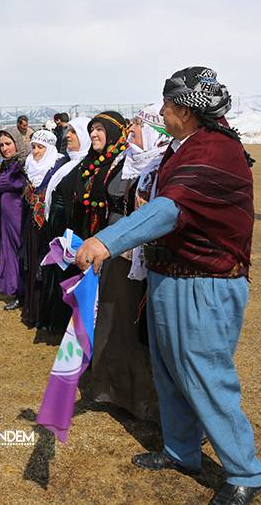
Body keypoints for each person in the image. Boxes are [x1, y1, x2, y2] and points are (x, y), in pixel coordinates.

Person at [76, 67, 261, 505]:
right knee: (170, 371)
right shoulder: (186, 147)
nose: (160, 111)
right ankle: (182, 451)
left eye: (166, 103)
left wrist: (105, 240)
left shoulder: (216, 150)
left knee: (204, 374)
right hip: (170, 277)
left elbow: (168, 210)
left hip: (205, 283)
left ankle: (245, 472)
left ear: (183, 109)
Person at [87, 113, 169, 424]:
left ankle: (146, 401)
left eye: (136, 126)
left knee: (138, 328)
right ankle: (114, 391)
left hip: (141, 254)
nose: (130, 131)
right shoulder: (125, 159)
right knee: (113, 322)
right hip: (114, 252)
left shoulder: (159, 165)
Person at [38, 116, 91, 333]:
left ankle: (65, 323)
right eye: (68, 131)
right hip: (57, 229)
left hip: (70, 233)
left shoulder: (85, 166)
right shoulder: (69, 163)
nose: (68, 135)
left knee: (67, 277)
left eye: (74, 132)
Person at [19, 130, 62, 329]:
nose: (36, 151)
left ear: (49, 148)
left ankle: (47, 313)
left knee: (46, 266)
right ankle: (33, 311)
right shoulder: (29, 165)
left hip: (48, 225)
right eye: (34, 146)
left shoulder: (57, 166)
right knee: (32, 263)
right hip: (31, 223)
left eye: (40, 147)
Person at [74, 112, 129, 238]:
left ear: (113, 132)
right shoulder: (89, 162)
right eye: (92, 130)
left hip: (113, 234)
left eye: (99, 129)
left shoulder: (124, 163)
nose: (93, 134)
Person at [0, 128, 28, 309]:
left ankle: (24, 291)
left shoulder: (25, 163)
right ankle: (15, 290)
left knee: (19, 252)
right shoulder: (7, 164)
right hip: (7, 218)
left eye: (8, 143)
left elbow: (23, 185)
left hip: (19, 215)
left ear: (17, 143)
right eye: (2, 145)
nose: (5, 148)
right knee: (9, 252)